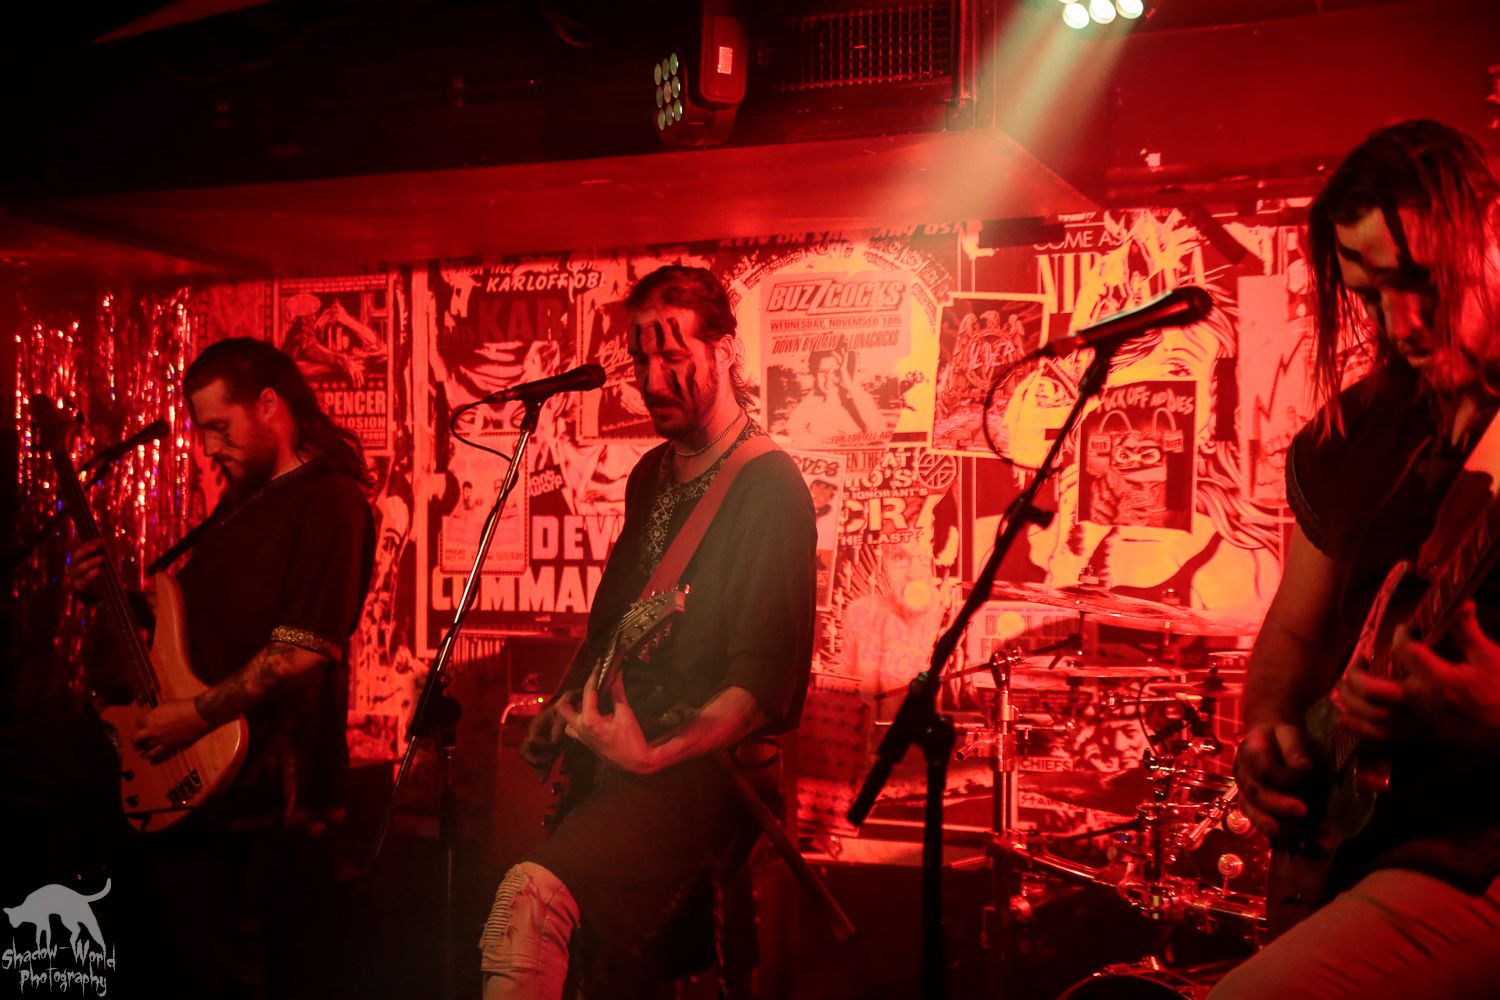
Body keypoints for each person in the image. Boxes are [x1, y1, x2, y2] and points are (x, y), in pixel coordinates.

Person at [1214, 121, 1500, 998]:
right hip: (1366, 842)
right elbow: (1295, 634)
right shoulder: (1349, 436)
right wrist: (1265, 731)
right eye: (1371, 296)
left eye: (1422, 283)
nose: (1399, 324)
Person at [478, 265, 817, 998]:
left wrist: (655, 752)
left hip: (697, 774)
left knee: (527, 907)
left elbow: (763, 682)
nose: (652, 380)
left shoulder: (768, 486)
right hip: (620, 764)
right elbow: (616, 620)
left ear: (725, 350)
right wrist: (566, 706)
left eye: (674, 356)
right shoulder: (652, 474)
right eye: (641, 360)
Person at [67, 337, 375, 999]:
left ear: (269, 405)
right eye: (203, 430)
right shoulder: (245, 500)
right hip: (203, 779)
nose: (209, 447)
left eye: (219, 427)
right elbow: (204, 625)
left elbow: (303, 650)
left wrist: (194, 716)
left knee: (236, 970)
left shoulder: (330, 501)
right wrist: (112, 596)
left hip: (263, 787)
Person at [782, 343, 885, 448]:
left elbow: (880, 434)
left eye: (836, 372)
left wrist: (849, 386)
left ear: (846, 374)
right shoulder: (812, 400)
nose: (828, 378)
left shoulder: (859, 399)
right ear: (815, 373)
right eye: (822, 372)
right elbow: (791, 433)